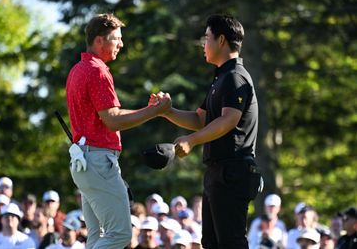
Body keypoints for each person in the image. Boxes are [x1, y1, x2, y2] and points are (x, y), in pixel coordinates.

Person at [65, 13, 170, 249]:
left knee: (97, 236)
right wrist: (154, 111)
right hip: (98, 162)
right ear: (99, 41)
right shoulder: (98, 71)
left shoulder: (78, 69)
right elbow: (112, 120)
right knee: (120, 234)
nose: (121, 44)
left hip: (84, 162)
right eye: (116, 38)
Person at [157, 14, 260, 249]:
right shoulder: (221, 78)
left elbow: (228, 120)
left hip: (233, 171)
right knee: (211, 243)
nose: (203, 44)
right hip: (218, 172)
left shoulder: (235, 77)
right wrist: (166, 111)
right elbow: (200, 119)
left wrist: (192, 141)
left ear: (221, 40)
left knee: (230, 243)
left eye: (207, 38)